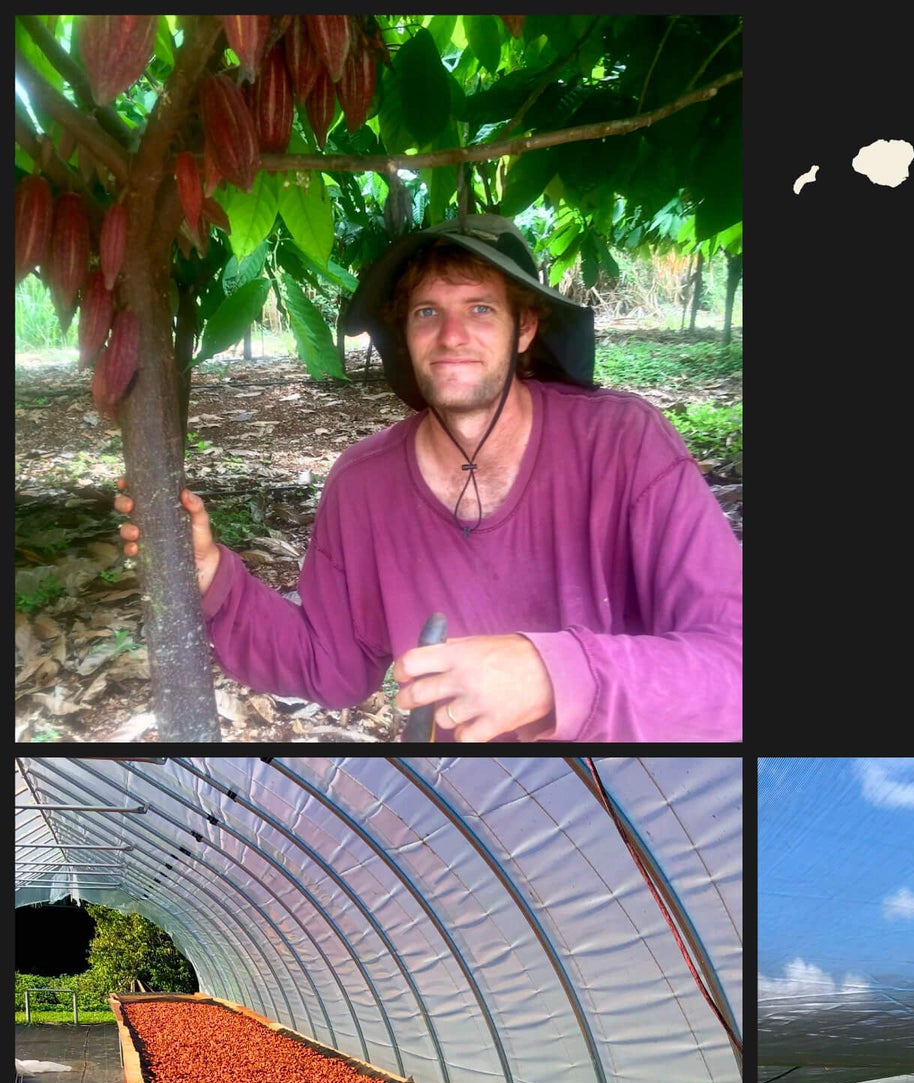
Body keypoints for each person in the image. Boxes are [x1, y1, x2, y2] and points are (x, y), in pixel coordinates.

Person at [115, 214, 742, 742]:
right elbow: (330, 663)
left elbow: (733, 664)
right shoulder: (365, 485)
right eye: (426, 313)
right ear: (406, 336)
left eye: (479, 308)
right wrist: (213, 578)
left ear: (524, 328)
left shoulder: (623, 445)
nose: (451, 336)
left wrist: (555, 673)